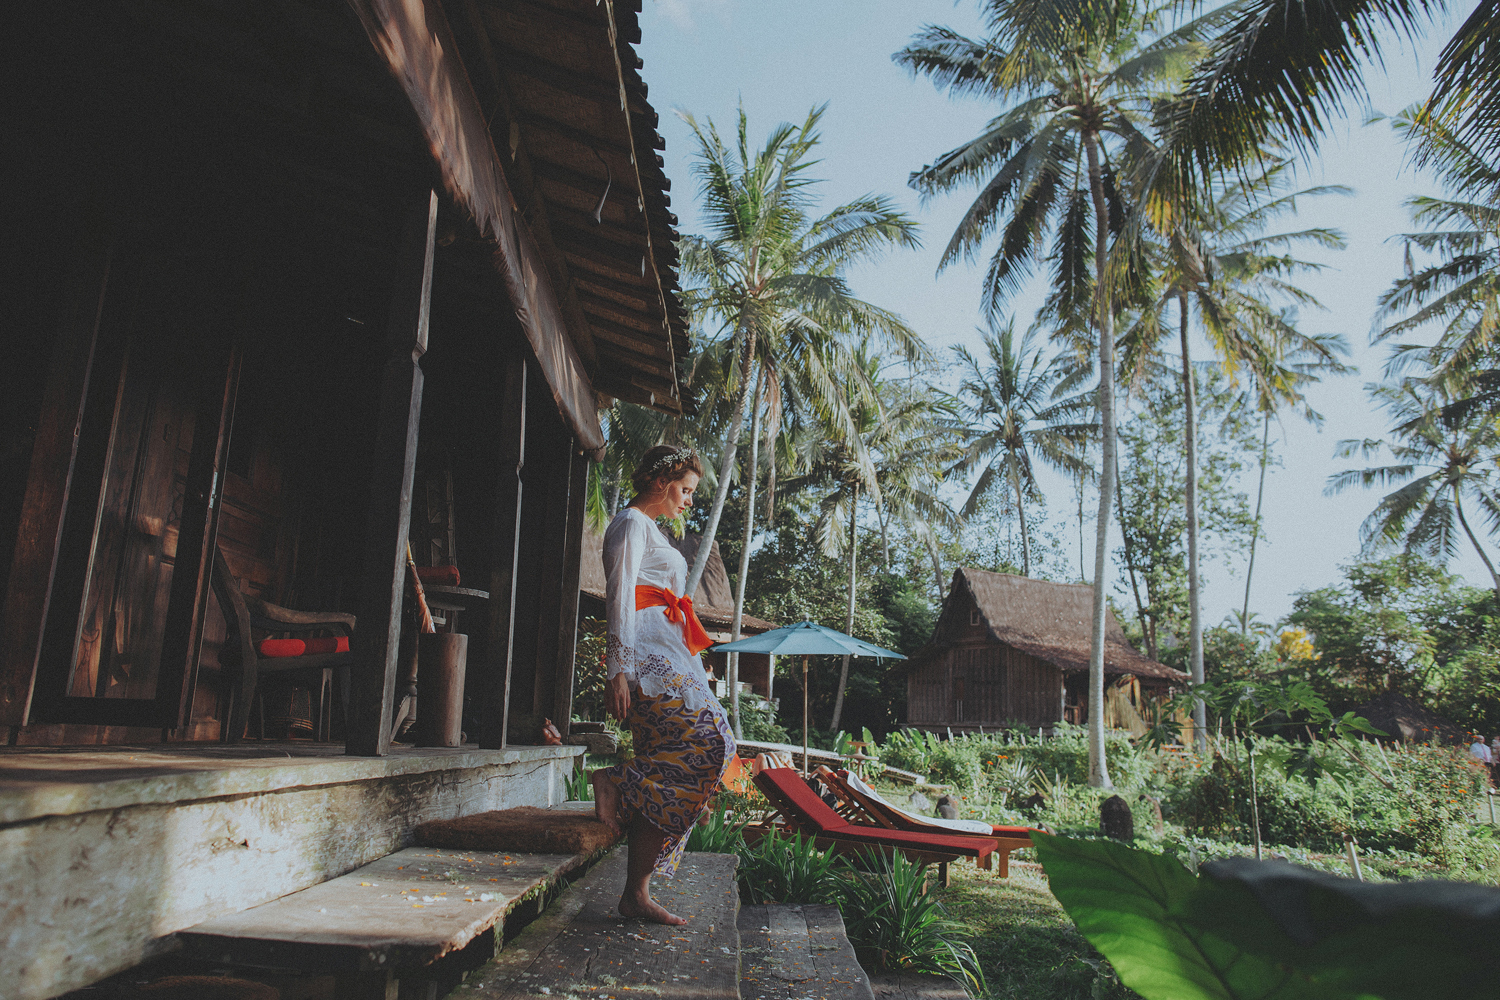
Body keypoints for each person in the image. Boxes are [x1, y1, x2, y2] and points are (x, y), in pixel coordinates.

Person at [590, 445, 734, 925]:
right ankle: (615, 780)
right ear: (660, 482)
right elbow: (619, 595)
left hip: (669, 653)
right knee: (710, 743)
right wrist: (618, 670)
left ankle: (636, 893)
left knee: (685, 758)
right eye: (685, 490)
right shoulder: (630, 523)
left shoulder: (650, 528)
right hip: (647, 660)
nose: (689, 500)